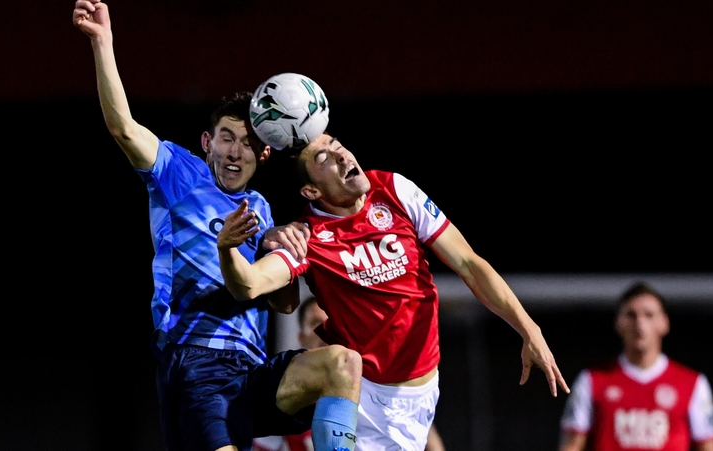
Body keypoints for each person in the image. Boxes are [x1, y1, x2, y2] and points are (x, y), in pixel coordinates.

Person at [72, 2, 363, 451]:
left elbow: (285, 306)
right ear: (207, 143)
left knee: (341, 365)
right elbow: (124, 128)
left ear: (264, 154)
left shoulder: (263, 209)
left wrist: (287, 253)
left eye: (247, 144)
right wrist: (102, 43)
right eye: (227, 137)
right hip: (196, 363)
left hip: (251, 370)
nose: (234, 151)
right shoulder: (180, 174)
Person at [217, 132, 570, 450]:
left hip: (423, 394)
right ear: (311, 191)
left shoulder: (394, 190)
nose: (340, 155)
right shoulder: (305, 237)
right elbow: (251, 283)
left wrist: (528, 327)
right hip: (365, 397)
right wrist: (234, 246)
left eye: (337, 144)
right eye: (323, 158)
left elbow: (468, 264)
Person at [253, 298, 447, 451]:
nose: (324, 330)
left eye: (332, 322)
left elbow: (427, 440)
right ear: (301, 337)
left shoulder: (378, 385)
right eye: (315, 323)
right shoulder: (285, 390)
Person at [558, 282, 713, 451]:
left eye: (649, 315)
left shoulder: (693, 383)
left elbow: (708, 446)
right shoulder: (591, 380)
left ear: (664, 323)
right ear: (618, 323)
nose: (640, 324)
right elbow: (572, 445)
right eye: (631, 315)